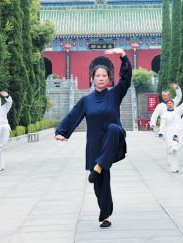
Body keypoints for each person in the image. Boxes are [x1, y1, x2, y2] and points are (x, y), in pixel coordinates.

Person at [55, 48, 131, 229]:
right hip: (96, 145)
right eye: (98, 76)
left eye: (104, 75)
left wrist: (123, 56)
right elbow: (74, 115)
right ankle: (106, 216)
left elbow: (126, 80)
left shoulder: (115, 94)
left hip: (114, 141)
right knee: (100, 183)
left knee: (114, 128)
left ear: (109, 78)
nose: (101, 78)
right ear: (93, 78)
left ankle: (99, 165)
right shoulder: (86, 101)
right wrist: (62, 132)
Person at [158, 90, 183, 173]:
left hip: (178, 131)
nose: (169, 104)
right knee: (172, 152)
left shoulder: (178, 110)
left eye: (171, 103)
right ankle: (174, 168)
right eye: (168, 103)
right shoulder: (165, 114)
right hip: (169, 133)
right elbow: (162, 125)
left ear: (174, 104)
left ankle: (175, 147)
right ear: (166, 105)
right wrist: (161, 133)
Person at [150, 83, 182, 164]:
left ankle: (174, 159)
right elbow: (155, 114)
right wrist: (153, 123)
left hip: (174, 127)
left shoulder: (173, 102)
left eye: (168, 96)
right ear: (162, 97)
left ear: (170, 97)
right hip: (165, 128)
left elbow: (179, 96)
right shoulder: (160, 106)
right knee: (168, 145)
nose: (166, 97)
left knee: (174, 144)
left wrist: (177, 88)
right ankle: (170, 161)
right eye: (165, 96)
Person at [0, 91, 12, 171]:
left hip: (4, 131)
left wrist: (7, 96)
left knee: (6, 126)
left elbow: (10, 102)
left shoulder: (4, 108)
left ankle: (2, 145)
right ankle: (1, 166)